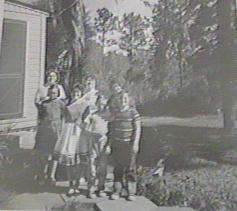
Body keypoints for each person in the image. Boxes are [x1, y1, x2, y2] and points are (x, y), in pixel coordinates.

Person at [51, 84, 87, 196]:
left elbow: (86, 119)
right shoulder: (67, 103)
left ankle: (77, 183)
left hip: (79, 132)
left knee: (79, 161)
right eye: (74, 92)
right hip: (68, 131)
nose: (76, 94)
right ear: (72, 93)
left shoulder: (84, 104)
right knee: (69, 161)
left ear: (81, 94)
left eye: (78, 93)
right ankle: (71, 185)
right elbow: (63, 118)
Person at [109, 92, 141, 201]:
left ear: (129, 100)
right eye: (121, 98)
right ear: (118, 100)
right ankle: (117, 190)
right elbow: (112, 130)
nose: (123, 100)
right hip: (118, 144)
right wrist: (109, 144)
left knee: (130, 168)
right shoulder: (116, 113)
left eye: (125, 98)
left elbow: (138, 129)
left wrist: (135, 143)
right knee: (118, 168)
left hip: (129, 145)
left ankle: (131, 192)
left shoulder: (133, 112)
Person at [34, 85, 66, 181]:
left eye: (55, 93)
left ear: (58, 94)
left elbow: (64, 118)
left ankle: (51, 175)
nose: (53, 94)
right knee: (44, 155)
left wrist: (62, 131)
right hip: (45, 132)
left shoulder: (61, 104)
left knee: (54, 155)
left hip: (56, 132)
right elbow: (40, 119)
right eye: (51, 93)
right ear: (48, 93)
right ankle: (42, 174)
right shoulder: (44, 104)